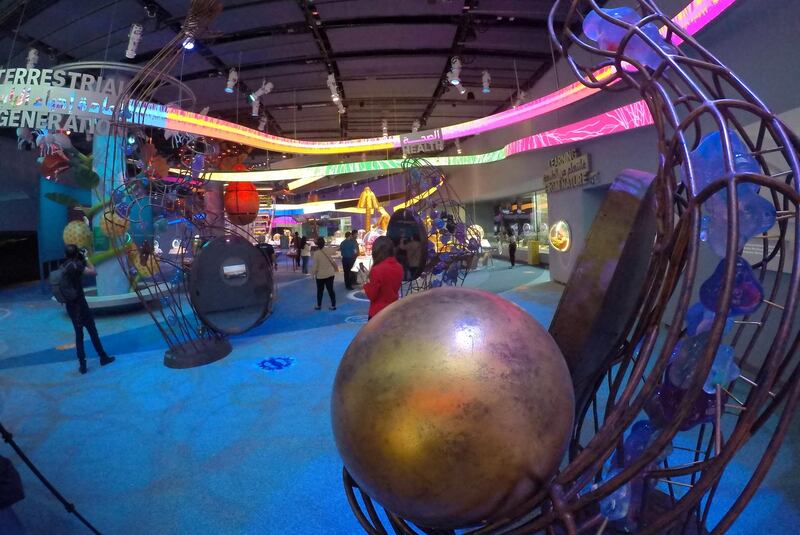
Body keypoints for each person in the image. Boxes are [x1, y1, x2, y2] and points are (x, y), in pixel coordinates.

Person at [60, 244, 115, 374]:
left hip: (71, 306)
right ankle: (103, 357)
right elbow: (93, 271)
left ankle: (82, 365)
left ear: (65, 255)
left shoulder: (63, 267)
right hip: (80, 305)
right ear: (76, 254)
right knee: (92, 332)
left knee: (79, 336)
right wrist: (86, 258)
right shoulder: (77, 265)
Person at [362, 236, 403, 320]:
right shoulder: (399, 266)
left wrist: (365, 283)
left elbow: (372, 295)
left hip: (378, 313)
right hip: (393, 309)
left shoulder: (377, 270)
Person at [311, 237, 337, 310]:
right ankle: (333, 305)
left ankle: (319, 305)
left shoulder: (316, 253)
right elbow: (335, 251)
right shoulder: (328, 250)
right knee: (331, 290)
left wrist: (313, 274)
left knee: (320, 291)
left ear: (317, 244)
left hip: (320, 275)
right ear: (324, 243)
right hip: (330, 274)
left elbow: (315, 265)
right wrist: (329, 245)